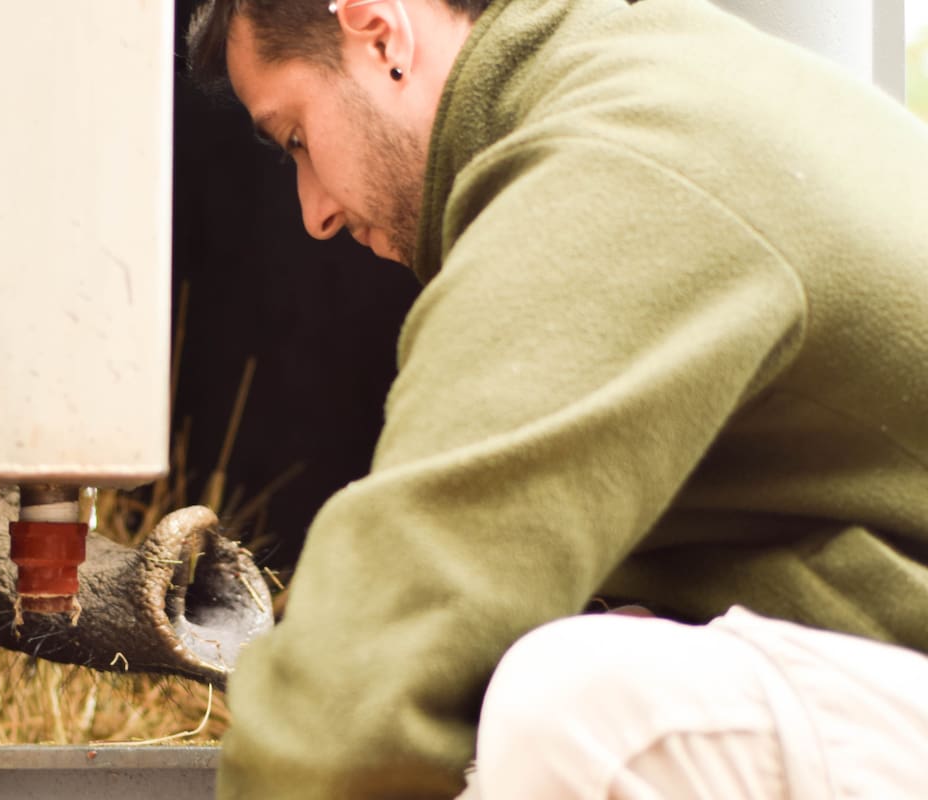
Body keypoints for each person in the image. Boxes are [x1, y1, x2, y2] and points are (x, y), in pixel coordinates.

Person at [184, 0, 928, 797]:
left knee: (583, 706)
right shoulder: (637, 77)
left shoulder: (621, 153)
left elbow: (414, 591)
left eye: (297, 138)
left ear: (378, 29)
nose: (314, 211)